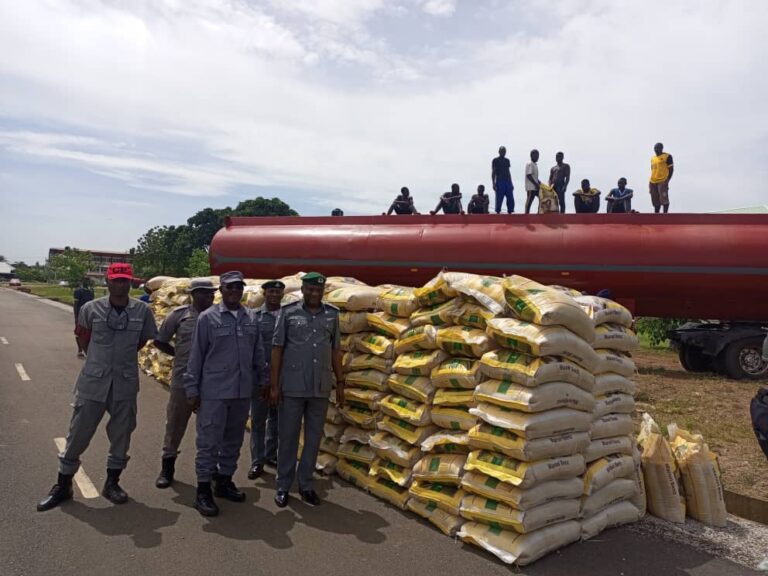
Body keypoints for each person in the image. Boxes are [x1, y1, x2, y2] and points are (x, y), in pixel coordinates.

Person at [37, 263, 157, 512]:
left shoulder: (142, 311)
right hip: (93, 381)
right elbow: (82, 338)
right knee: (79, 432)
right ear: (108, 281)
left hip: (124, 383)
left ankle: (112, 483)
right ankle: (63, 484)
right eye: (116, 280)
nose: (120, 284)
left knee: (122, 434)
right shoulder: (90, 309)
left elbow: (142, 340)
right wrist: (99, 359)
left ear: (131, 282)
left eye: (125, 280)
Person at [184, 271, 266, 517]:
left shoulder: (250, 317)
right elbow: (196, 356)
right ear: (221, 290)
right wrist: (192, 389)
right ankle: (202, 491)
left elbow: (258, 353)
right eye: (230, 288)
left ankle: (224, 480)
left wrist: (263, 381)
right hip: (214, 393)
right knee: (209, 442)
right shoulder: (208, 319)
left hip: (241, 392)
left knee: (233, 441)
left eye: (238, 288)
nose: (234, 292)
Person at [270, 272, 344, 508]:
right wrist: (274, 385)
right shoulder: (288, 312)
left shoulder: (332, 315)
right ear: (303, 290)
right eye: (310, 289)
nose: (314, 294)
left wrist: (340, 383)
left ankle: (306, 485)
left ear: (323, 292)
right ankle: (283, 485)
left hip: (319, 387)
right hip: (292, 386)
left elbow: (335, 351)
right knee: (288, 437)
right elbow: (277, 349)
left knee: (313, 439)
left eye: (318, 290)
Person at [152, 278, 217, 489]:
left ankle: (210, 467)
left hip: (211, 380)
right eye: (201, 293)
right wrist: (179, 355)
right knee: (175, 423)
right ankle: (167, 467)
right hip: (183, 378)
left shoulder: (219, 316)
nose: (207, 297)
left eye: (210, 293)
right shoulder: (179, 315)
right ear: (192, 294)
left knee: (210, 427)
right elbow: (160, 340)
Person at [247, 279, 285, 480]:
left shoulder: (287, 316)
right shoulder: (254, 316)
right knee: (259, 419)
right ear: (264, 293)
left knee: (277, 419)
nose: (274, 296)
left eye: (278, 293)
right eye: (271, 292)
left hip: (281, 377)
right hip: (260, 377)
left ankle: (271, 454)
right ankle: (257, 461)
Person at [649, 142, 674, 213]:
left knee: (664, 197)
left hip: (663, 180)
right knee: (654, 198)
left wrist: (667, 180)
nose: (656, 149)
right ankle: (656, 213)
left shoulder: (667, 156)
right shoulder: (653, 158)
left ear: (661, 148)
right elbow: (652, 169)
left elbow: (671, 169)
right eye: (655, 148)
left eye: (658, 148)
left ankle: (665, 214)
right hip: (653, 180)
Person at [73, 277, 94, 358]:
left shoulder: (91, 291)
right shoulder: (78, 291)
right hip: (80, 314)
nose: (87, 282)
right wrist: (76, 316)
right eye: (85, 280)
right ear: (82, 281)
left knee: (89, 333)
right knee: (79, 332)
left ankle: (88, 350)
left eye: (88, 280)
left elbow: (93, 302)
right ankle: (79, 349)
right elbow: (75, 304)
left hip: (89, 313)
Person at [491, 146, 514, 214]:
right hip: (500, 180)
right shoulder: (495, 160)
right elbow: (493, 172)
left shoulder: (507, 160)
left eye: (504, 151)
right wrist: (493, 183)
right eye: (501, 151)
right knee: (499, 198)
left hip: (507, 181)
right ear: (499, 152)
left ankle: (510, 211)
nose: (503, 152)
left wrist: (511, 183)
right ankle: (498, 211)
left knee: (510, 197)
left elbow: (508, 172)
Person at [524, 149, 541, 214]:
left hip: (535, 186)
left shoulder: (535, 164)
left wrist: (539, 182)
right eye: (536, 155)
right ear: (531, 155)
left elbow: (535, 177)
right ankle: (526, 214)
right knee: (529, 200)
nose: (537, 157)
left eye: (538, 155)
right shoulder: (530, 164)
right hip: (531, 187)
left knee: (541, 197)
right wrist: (535, 184)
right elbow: (529, 175)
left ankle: (539, 212)